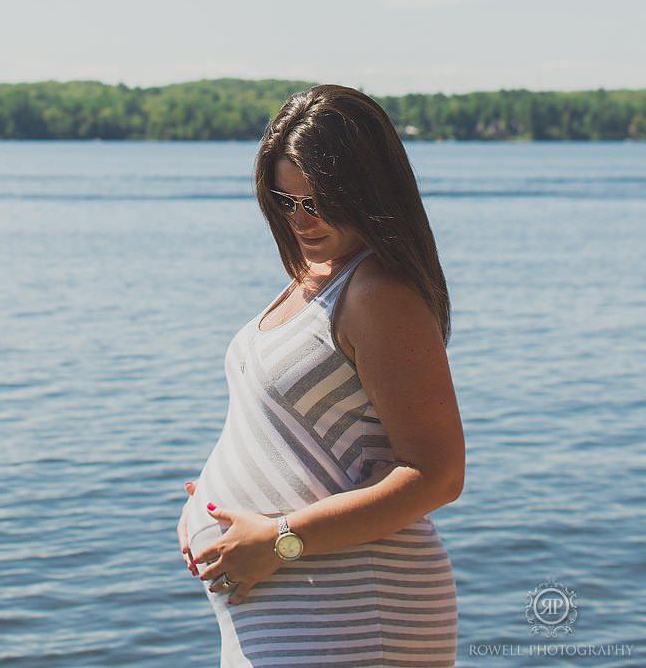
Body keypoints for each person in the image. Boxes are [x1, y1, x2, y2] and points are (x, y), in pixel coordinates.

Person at [177, 84, 463, 667]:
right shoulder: (320, 275)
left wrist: (280, 535)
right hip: (304, 613)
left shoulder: (380, 293)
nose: (301, 218)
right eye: (285, 200)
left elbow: (438, 475)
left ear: (367, 191)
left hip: (357, 612)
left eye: (318, 201)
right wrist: (221, 495)